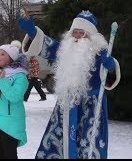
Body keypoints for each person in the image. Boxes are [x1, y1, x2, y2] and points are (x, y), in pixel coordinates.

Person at [17, 10, 120, 159]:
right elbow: (48, 45)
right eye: (75, 32)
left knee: (88, 145)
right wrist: (33, 32)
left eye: (81, 33)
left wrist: (110, 66)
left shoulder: (99, 52)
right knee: (59, 144)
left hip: (90, 108)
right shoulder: (65, 49)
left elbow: (109, 76)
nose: (77, 36)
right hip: (67, 105)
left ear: (90, 36)